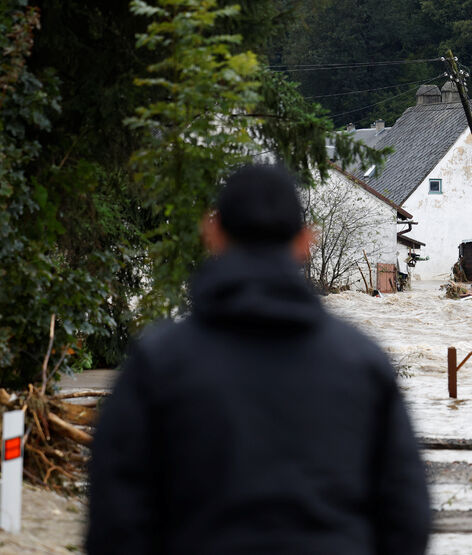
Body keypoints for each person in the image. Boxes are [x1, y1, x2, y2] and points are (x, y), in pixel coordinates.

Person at [86, 164, 431, 554]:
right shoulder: (362, 361)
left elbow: (116, 517)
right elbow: (407, 514)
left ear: (213, 234)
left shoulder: (158, 361)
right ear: (306, 241)